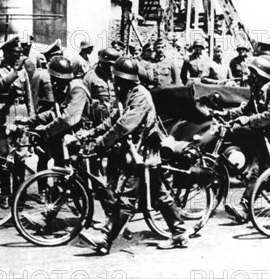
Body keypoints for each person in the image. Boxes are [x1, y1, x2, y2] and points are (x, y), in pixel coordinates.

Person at [78, 57, 189, 254]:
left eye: (118, 78)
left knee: (127, 196)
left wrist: (101, 142)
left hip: (143, 152)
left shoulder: (140, 96)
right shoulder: (128, 93)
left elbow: (124, 125)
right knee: (159, 193)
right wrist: (91, 133)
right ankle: (179, 232)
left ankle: (106, 239)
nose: (115, 81)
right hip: (139, 152)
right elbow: (114, 119)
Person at [219, 57, 270, 224]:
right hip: (263, 137)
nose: (250, 75)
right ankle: (247, 208)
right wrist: (226, 114)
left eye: (254, 73)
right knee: (259, 173)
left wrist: (249, 120)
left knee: (264, 172)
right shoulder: (259, 89)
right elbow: (246, 109)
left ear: (262, 75)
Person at [0, 37, 34, 200]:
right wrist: (15, 72)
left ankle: (19, 194)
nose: (18, 56)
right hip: (5, 116)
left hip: (21, 113)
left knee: (21, 155)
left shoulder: (23, 72)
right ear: (6, 54)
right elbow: (0, 85)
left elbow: (28, 95)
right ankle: (5, 194)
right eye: (15, 53)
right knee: (4, 156)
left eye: (19, 53)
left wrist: (31, 115)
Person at [83, 48, 120, 125]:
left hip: (114, 120)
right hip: (97, 121)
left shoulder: (118, 77)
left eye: (112, 65)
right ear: (101, 62)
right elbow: (84, 101)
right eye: (107, 64)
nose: (110, 67)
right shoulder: (90, 77)